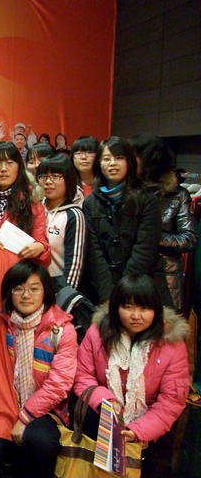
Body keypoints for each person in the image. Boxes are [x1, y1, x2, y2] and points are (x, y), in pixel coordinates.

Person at [0, 262, 77, 478]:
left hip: (46, 411)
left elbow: (59, 385)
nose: (26, 295)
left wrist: (25, 417)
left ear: (46, 292)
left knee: (40, 443)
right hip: (4, 407)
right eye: (18, 289)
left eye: (34, 288)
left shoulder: (62, 330)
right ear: (10, 293)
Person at [74, 274, 189, 453]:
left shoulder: (171, 343)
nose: (136, 316)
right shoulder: (97, 333)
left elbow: (171, 401)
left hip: (150, 421)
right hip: (104, 414)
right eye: (128, 307)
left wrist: (138, 430)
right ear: (116, 308)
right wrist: (106, 400)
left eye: (144, 308)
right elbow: (82, 377)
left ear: (156, 310)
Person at [82, 136, 171, 306]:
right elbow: (94, 253)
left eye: (119, 158)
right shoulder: (90, 202)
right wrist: (107, 293)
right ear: (99, 164)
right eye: (106, 159)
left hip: (143, 287)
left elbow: (145, 250)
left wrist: (124, 292)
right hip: (103, 292)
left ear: (129, 162)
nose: (112, 163)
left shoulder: (147, 199)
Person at [131, 133, 198, 310]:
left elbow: (189, 239)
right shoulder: (128, 191)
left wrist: (152, 236)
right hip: (130, 275)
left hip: (165, 279)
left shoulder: (178, 194)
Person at [37, 154, 86, 290]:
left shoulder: (73, 214)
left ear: (68, 180)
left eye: (56, 176)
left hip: (58, 288)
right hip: (32, 288)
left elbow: (74, 266)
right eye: (43, 176)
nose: (48, 182)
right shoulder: (34, 208)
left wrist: (63, 295)